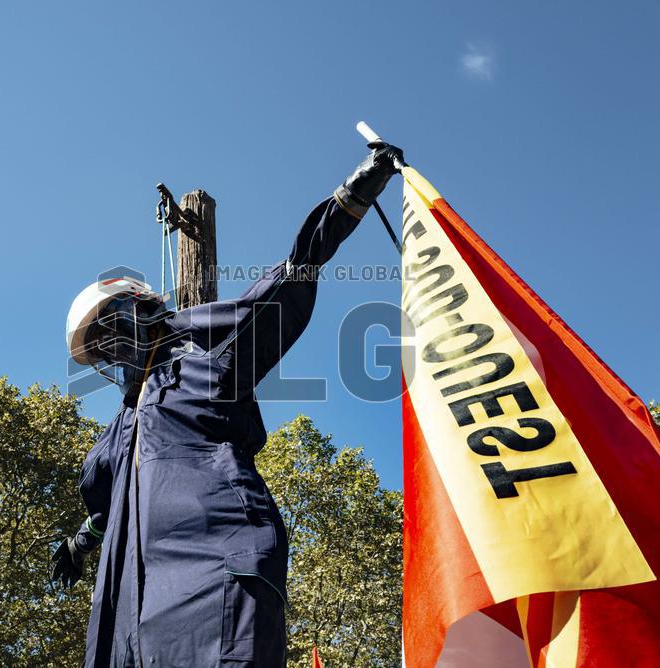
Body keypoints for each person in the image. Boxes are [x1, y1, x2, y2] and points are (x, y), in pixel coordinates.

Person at [53, 140, 404, 667]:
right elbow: (105, 502)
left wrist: (351, 197)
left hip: (214, 567)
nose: (112, 350)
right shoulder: (119, 428)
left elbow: (290, 275)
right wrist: (80, 546)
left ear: (142, 309)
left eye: (112, 331)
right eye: (100, 348)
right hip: (127, 613)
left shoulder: (205, 348)